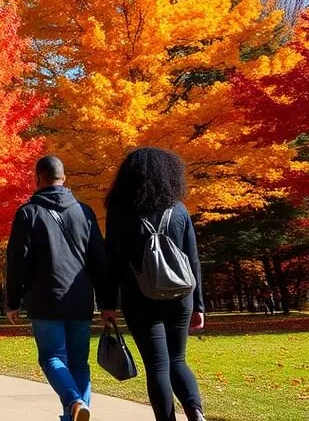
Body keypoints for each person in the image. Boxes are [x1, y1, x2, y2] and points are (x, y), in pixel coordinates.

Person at [101, 148, 207, 421]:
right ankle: (195, 412)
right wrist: (199, 304)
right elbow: (193, 259)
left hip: (140, 297)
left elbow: (112, 259)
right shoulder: (180, 210)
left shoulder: (120, 213)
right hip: (181, 295)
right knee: (178, 360)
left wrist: (108, 303)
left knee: (157, 365)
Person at [6, 155, 107, 421]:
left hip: (44, 299)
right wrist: (107, 302)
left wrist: (12, 301)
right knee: (78, 363)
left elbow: (17, 261)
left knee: (51, 357)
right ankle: (75, 411)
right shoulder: (84, 212)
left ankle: (74, 401)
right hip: (80, 297)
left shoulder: (28, 213)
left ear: (37, 178)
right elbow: (99, 259)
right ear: (65, 178)